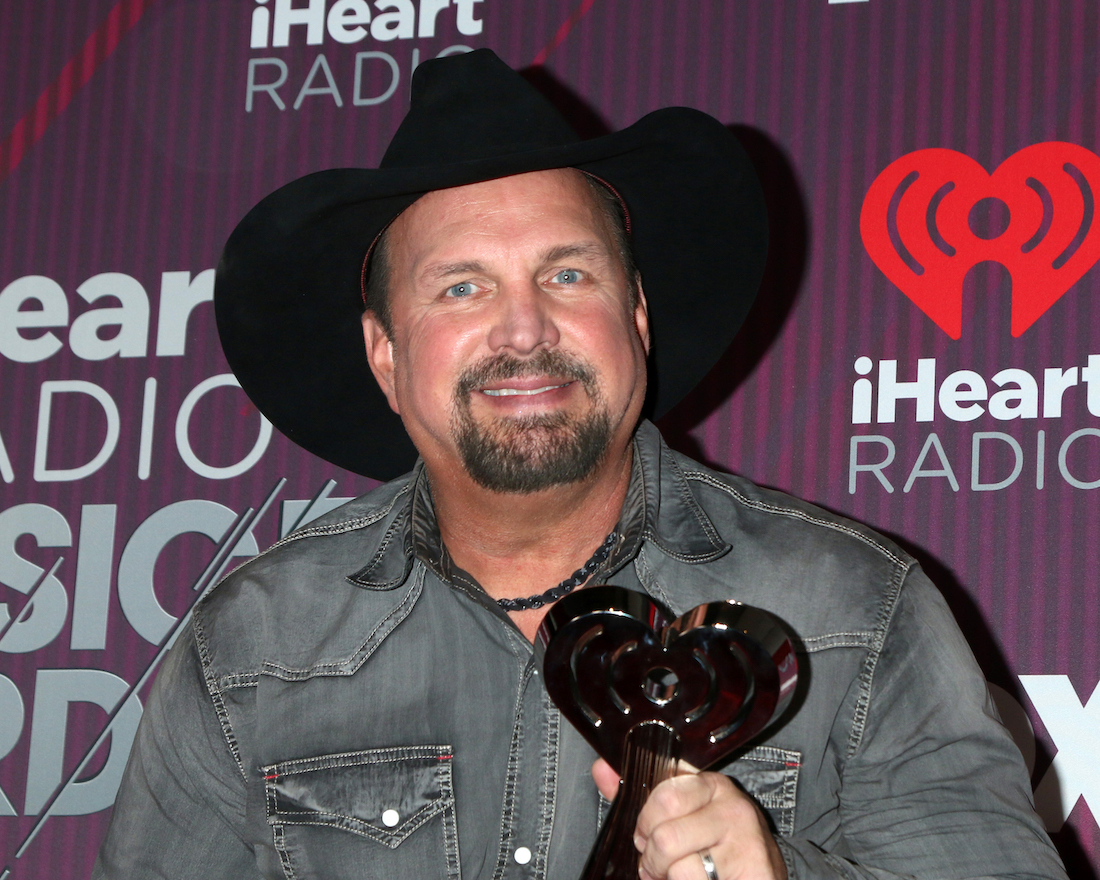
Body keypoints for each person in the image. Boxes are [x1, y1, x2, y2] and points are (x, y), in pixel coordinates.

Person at [94, 49, 1067, 880]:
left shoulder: (852, 610)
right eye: (461, 286)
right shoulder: (250, 651)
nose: (524, 328)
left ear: (634, 317)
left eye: (566, 273)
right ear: (385, 353)